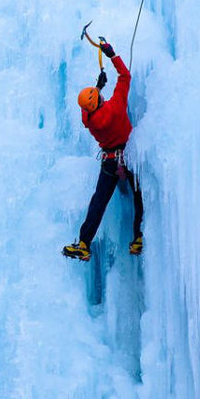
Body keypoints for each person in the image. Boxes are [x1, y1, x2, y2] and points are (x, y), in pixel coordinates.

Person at [62, 41, 143, 261]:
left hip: (109, 162)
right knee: (139, 196)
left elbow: (87, 111)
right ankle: (138, 238)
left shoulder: (89, 120)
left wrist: (97, 88)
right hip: (128, 157)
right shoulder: (116, 107)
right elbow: (125, 76)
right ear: (100, 101)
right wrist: (112, 54)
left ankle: (84, 244)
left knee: (98, 202)